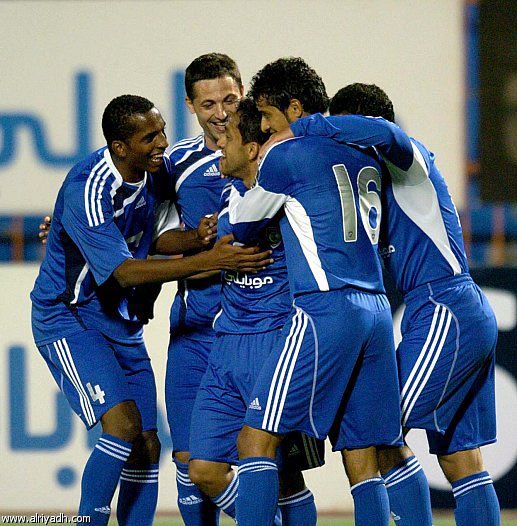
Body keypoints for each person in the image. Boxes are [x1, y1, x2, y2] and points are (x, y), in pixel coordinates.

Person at [30, 94, 272, 526]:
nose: (162, 142)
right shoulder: (90, 187)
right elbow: (123, 272)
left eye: (162, 131)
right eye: (150, 137)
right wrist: (212, 259)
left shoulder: (151, 175)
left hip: (121, 322)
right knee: (122, 425)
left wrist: (200, 243)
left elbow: (155, 240)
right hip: (69, 317)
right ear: (120, 147)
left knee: (146, 443)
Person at [268, 82, 500, 526]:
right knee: (461, 458)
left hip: (443, 307)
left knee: (381, 431)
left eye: (345, 130)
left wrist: (306, 127)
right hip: (456, 308)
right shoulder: (374, 180)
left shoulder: (410, 159)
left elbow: (389, 135)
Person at [229, 58, 403, 526]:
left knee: (254, 441)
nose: (265, 126)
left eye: (268, 115)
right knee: (365, 456)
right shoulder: (362, 151)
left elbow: (244, 224)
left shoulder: (286, 154)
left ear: (294, 108)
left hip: (325, 307)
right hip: (376, 309)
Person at [187, 97, 324, 525]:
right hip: (227, 344)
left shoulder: (286, 196)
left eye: (227, 137)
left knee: (284, 477)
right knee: (203, 469)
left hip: (276, 343)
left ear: (251, 149)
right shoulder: (229, 193)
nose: (219, 144)